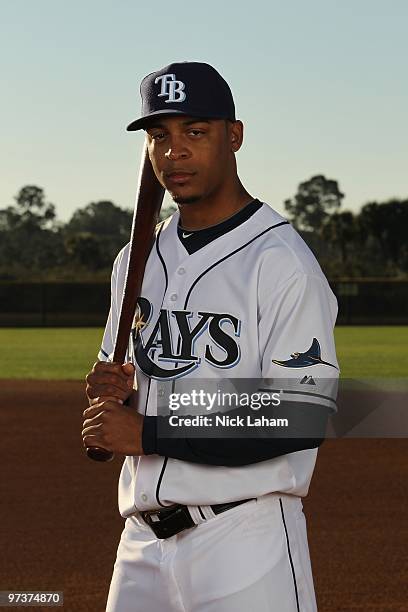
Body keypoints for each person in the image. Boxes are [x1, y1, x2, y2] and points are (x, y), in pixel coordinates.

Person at [82, 62, 339, 612]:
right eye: (159, 136)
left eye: (194, 132)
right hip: (141, 545)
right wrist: (113, 396)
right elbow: (122, 393)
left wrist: (148, 431)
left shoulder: (279, 262)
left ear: (234, 136)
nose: (174, 152)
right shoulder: (136, 261)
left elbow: (302, 413)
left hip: (244, 540)